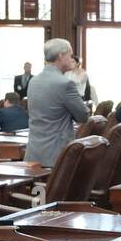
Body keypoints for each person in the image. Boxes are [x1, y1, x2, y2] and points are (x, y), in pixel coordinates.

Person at [25, 38, 89, 168]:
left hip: (33, 152)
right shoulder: (65, 83)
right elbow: (83, 116)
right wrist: (70, 112)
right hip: (56, 155)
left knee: (37, 189)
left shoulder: (33, 81)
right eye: (70, 55)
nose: (72, 58)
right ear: (61, 55)